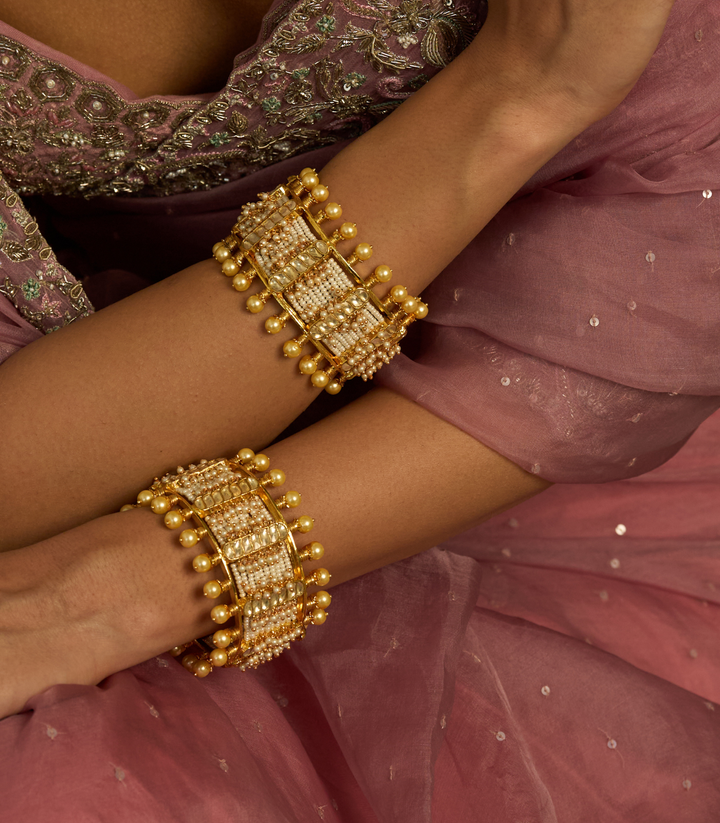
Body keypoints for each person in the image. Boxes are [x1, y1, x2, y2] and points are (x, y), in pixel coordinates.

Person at [1, 0, 719, 818]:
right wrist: (516, 94)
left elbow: (685, 202)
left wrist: (136, 585)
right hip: (83, 448)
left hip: (504, 443)